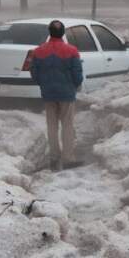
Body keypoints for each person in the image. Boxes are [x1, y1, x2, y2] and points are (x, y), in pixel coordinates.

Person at [29, 20, 84, 170]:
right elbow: (77, 73)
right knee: (67, 125)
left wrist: (43, 83)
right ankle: (67, 158)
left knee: (51, 126)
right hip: (66, 93)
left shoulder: (38, 51)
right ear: (63, 33)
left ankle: (54, 157)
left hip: (48, 94)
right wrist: (76, 84)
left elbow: (33, 72)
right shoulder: (72, 51)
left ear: (49, 32)